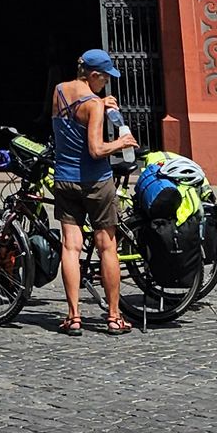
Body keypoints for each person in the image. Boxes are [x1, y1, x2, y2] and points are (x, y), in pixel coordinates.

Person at [50, 47, 140, 336]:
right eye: (105, 78)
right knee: (106, 246)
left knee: (70, 247)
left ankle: (73, 317)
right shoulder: (95, 105)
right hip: (96, 183)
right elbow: (96, 149)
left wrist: (99, 101)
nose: (107, 83)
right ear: (94, 75)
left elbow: (76, 114)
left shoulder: (60, 91)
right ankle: (114, 317)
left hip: (64, 179)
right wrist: (123, 142)